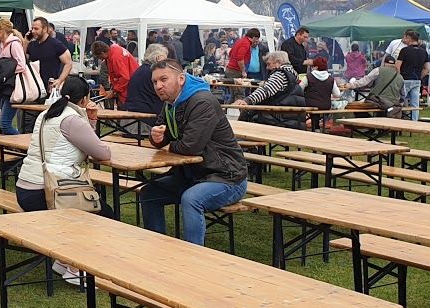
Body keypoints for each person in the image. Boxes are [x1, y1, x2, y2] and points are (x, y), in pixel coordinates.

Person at [14, 78, 115, 282]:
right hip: (50, 191)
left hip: (26, 187)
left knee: (94, 208)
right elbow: (102, 152)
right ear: (85, 99)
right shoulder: (72, 120)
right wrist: (90, 121)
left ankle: (63, 261)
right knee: (104, 215)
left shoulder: (47, 113)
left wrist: (89, 120)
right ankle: (76, 269)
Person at [141, 58, 248, 246]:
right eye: (155, 81)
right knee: (149, 193)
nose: (158, 86)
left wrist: (167, 145)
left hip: (227, 177)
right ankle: (156, 247)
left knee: (191, 199)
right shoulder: (171, 103)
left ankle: (193, 254)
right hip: (193, 176)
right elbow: (162, 134)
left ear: (181, 79)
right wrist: (156, 137)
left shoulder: (202, 102)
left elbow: (190, 147)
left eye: (164, 79)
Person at [243, 50, 309, 126]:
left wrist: (247, 100)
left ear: (278, 62)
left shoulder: (280, 74)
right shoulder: (293, 73)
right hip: (290, 117)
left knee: (247, 114)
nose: (267, 68)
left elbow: (266, 90)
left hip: (279, 118)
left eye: (269, 64)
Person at [0, 17, 29, 135]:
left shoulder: (14, 44)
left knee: (5, 124)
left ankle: (23, 144)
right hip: (5, 88)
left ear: (2, 30)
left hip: (13, 89)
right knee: (4, 125)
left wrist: (5, 73)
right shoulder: (3, 44)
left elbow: (22, 65)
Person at [25, 17, 72, 91]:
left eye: (36, 29)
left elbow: (68, 63)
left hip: (50, 87)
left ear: (44, 29)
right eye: (32, 29)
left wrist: (60, 80)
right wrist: (25, 42)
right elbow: (24, 61)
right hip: (35, 88)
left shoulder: (55, 44)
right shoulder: (31, 45)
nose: (33, 31)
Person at [123, 42, 166, 119]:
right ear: (158, 58)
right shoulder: (152, 72)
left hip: (134, 111)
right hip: (147, 114)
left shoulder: (141, 70)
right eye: (164, 59)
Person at [93, 38, 138, 108]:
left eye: (100, 57)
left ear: (102, 53)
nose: (101, 59)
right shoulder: (113, 49)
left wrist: (114, 91)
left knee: (124, 110)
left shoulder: (115, 57)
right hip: (128, 86)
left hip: (130, 89)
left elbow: (125, 78)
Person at [395, 30, 429, 121]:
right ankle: (414, 121)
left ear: (409, 38)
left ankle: (397, 119)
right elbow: (427, 68)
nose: (403, 39)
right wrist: (419, 76)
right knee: (415, 104)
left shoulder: (404, 50)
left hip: (405, 79)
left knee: (400, 101)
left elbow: (397, 65)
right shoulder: (424, 52)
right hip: (417, 80)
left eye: (405, 37)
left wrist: (399, 77)